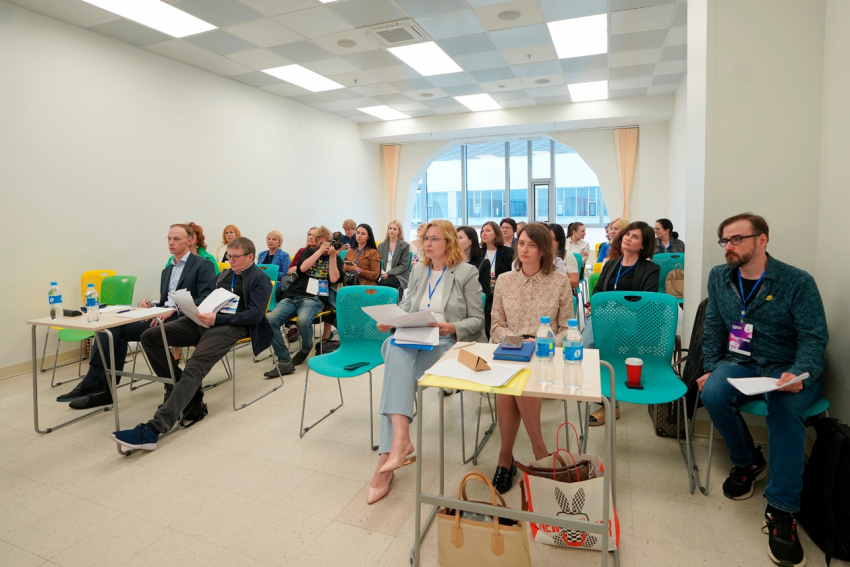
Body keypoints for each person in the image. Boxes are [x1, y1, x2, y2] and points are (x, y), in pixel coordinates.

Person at [697, 213, 827, 567]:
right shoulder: (720, 277)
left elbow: (814, 337)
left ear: (762, 240)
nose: (729, 246)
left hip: (788, 366)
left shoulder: (796, 282)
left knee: (784, 409)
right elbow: (714, 326)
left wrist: (799, 373)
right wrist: (712, 368)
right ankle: (749, 461)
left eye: (737, 239)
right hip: (741, 361)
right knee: (712, 393)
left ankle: (782, 510)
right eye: (725, 240)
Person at [112, 237, 272, 450]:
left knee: (193, 367)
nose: (231, 261)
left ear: (250, 257)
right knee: (150, 336)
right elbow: (209, 299)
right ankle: (187, 394)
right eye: (229, 257)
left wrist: (217, 320)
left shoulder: (260, 279)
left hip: (231, 326)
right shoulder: (225, 274)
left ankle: (154, 429)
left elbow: (255, 315)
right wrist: (188, 307)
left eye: (236, 257)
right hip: (205, 320)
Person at [367, 220, 485, 504]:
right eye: (425, 239)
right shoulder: (419, 270)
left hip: (448, 342)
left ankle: (388, 457)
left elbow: (478, 320)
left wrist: (450, 327)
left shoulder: (466, 272)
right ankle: (400, 441)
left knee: (395, 369)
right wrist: (392, 321)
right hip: (415, 337)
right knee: (393, 345)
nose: (426, 244)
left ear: (449, 243)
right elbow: (408, 308)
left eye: (433, 239)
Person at [57, 224, 216, 410]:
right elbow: (166, 301)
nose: (171, 242)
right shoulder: (167, 270)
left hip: (186, 319)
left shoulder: (202, 265)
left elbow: (206, 299)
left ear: (190, 241)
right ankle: (102, 387)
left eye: (176, 239)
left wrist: (174, 310)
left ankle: (175, 385)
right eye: (169, 238)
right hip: (162, 316)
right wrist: (152, 304)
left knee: (148, 335)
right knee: (111, 328)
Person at [489, 223, 575, 493]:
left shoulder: (559, 281)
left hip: (546, 353)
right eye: (521, 243)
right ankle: (539, 453)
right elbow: (495, 327)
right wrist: (518, 343)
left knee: (515, 384)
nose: (524, 249)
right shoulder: (505, 280)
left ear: (544, 250)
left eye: (532, 245)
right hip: (511, 349)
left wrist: (542, 343)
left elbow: (567, 328)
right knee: (512, 380)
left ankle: (507, 458)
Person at [586, 221, 660, 426]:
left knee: (594, 341)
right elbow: (598, 292)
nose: (628, 238)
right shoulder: (611, 264)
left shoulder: (651, 268)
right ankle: (611, 405)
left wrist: (612, 307)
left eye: (635, 237)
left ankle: (584, 354)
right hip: (607, 322)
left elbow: (645, 300)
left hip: (634, 321)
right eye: (627, 234)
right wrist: (596, 306)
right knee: (606, 345)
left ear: (643, 245)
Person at [265, 227, 343, 375]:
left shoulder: (336, 259)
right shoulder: (308, 252)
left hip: (314, 298)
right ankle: (284, 361)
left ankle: (306, 347)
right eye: (321, 243)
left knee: (303, 320)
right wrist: (319, 251)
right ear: (317, 243)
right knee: (270, 321)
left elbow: (334, 279)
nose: (325, 245)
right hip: (293, 296)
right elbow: (302, 268)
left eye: (327, 242)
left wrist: (332, 256)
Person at [480, 221, 512, 340]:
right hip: (485, 291)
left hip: (502, 291)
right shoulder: (479, 253)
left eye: (488, 230)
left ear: (496, 234)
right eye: (482, 231)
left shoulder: (508, 252)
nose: (484, 233)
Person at [377, 220, 411, 291]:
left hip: (398, 274)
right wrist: (382, 272)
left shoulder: (405, 246)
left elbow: (403, 266)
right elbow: (378, 262)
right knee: (376, 284)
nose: (391, 231)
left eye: (394, 229)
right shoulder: (381, 246)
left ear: (399, 231)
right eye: (390, 228)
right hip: (383, 273)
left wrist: (389, 273)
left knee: (384, 284)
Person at [457, 226, 490, 295]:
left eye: (460, 238)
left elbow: (485, 292)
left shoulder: (483, 263)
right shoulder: (451, 262)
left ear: (471, 241)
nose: (456, 241)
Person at [549, 223, 579, 289]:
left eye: (554, 239)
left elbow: (575, 282)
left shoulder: (568, 255)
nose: (550, 242)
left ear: (560, 241)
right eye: (548, 238)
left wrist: (555, 280)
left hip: (563, 290)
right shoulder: (540, 255)